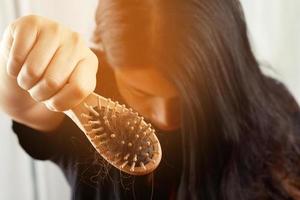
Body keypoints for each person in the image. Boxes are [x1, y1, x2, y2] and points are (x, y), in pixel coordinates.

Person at [0, 0, 300, 199]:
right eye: (142, 93)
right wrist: (19, 51)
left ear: (225, 74)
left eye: (186, 98)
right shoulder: (86, 90)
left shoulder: (274, 112)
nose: (166, 117)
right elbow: (23, 104)